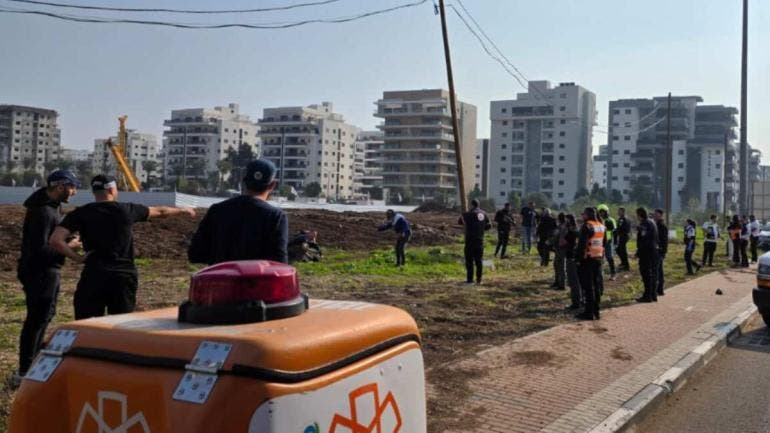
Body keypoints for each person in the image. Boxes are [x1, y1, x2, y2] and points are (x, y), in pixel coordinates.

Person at [50, 174, 196, 320]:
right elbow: (161, 211)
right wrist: (183, 210)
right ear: (112, 190)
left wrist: (78, 258)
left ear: (94, 192)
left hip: (94, 275)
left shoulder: (80, 213)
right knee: (121, 323)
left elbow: (56, 240)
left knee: (87, 323)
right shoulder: (127, 210)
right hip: (123, 277)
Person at [15, 170, 81, 384]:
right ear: (60, 186)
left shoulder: (49, 208)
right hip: (40, 272)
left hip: (42, 271)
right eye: (72, 186)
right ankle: (25, 370)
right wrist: (67, 246)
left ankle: (31, 364)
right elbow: (39, 251)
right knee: (36, 319)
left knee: (44, 316)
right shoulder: (43, 212)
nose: (75, 191)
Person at [189, 159, 288, 265]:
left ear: (244, 182)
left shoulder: (216, 210)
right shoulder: (276, 217)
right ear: (272, 185)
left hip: (219, 280)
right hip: (256, 281)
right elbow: (279, 264)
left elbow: (195, 255)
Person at [575, 207, 605, 320]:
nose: (582, 216)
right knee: (596, 286)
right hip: (598, 258)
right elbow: (604, 243)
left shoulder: (587, 226)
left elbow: (582, 245)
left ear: (587, 215)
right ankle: (596, 311)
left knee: (588, 287)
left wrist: (578, 259)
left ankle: (588, 312)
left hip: (587, 259)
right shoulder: (601, 226)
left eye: (583, 214)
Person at [458, 199, 492, 284]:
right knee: (479, 261)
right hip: (480, 240)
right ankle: (479, 279)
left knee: (469, 261)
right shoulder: (484, 214)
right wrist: (481, 229)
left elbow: (459, 222)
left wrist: (463, 215)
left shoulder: (467, 214)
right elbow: (489, 226)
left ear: (472, 205)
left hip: (470, 241)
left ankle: (470, 280)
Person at [635, 207, 659, 303]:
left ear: (640, 215)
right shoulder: (652, 222)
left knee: (646, 273)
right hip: (654, 251)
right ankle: (653, 294)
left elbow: (644, 240)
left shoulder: (644, 224)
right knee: (652, 273)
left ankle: (647, 295)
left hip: (646, 252)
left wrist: (638, 252)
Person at [564, 214, 582, 309]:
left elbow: (565, 242)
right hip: (574, 256)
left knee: (573, 281)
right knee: (576, 281)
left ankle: (576, 303)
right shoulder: (577, 230)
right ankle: (579, 300)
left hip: (571, 257)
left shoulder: (572, 231)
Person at [597, 204, 617, 280]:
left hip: (608, 241)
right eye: (600, 212)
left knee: (609, 257)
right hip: (600, 241)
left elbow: (615, 231)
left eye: (603, 212)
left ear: (606, 212)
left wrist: (615, 242)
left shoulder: (611, 220)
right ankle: (600, 273)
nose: (602, 213)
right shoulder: (597, 220)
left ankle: (613, 273)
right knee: (599, 258)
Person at [653, 209, 668, 297]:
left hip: (660, 251)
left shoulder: (662, 226)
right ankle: (659, 289)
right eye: (655, 214)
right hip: (655, 251)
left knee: (658, 271)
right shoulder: (655, 224)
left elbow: (664, 240)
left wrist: (663, 252)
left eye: (657, 214)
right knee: (658, 270)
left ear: (661, 215)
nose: (655, 215)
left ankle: (660, 289)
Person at [553, 213, 568, 290]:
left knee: (561, 267)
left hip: (562, 249)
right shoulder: (560, 226)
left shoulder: (564, 227)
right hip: (559, 248)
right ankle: (557, 282)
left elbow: (556, 236)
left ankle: (561, 284)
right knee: (556, 265)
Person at [615, 207, 632, 271]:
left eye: (620, 211)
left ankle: (626, 265)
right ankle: (623, 263)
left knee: (622, 250)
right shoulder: (621, 219)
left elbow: (622, 228)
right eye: (618, 211)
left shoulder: (624, 219)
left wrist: (617, 231)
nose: (618, 212)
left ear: (623, 212)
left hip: (624, 236)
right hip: (623, 236)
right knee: (619, 250)